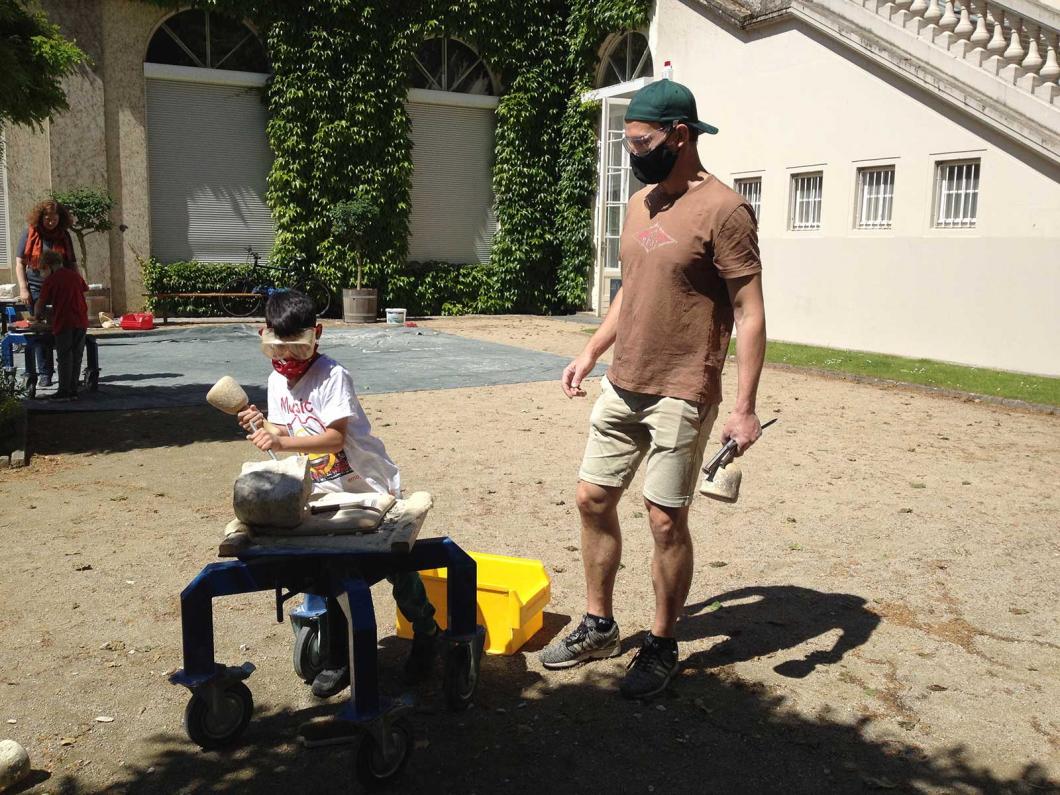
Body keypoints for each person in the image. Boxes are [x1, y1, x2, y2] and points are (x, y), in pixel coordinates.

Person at [539, 79, 767, 700]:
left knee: (665, 520)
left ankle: (663, 642)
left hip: (683, 387)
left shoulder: (726, 210)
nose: (634, 151)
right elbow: (629, 290)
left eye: (642, 141)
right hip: (624, 381)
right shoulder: (639, 204)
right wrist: (590, 351)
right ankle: (600, 624)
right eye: (630, 141)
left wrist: (743, 408)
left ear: (680, 136)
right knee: (591, 498)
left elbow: (750, 313)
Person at [236, 289, 441, 698]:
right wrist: (262, 426)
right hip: (321, 491)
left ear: (317, 335)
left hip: (366, 486)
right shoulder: (277, 381)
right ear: (264, 336)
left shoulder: (332, 376)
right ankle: (341, 655)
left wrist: (281, 443)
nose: (288, 359)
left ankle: (426, 630)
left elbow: (332, 438)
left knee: (396, 568)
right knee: (329, 570)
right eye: (278, 348)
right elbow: (283, 432)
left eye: (298, 348)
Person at [16, 199, 77, 387]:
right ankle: (45, 373)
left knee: (59, 328)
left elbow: (72, 263)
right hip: (35, 287)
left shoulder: (64, 235)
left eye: (54, 218)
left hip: (60, 289)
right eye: (47, 218)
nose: (51, 221)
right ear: (40, 217)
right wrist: (23, 288)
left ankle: (65, 372)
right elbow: (20, 263)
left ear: (61, 218)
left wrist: (76, 286)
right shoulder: (30, 233)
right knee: (40, 329)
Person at [33, 249, 89, 401]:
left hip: (64, 321)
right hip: (81, 320)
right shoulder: (75, 276)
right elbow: (84, 290)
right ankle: (73, 390)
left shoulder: (50, 281)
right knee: (76, 356)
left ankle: (64, 391)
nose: (42, 273)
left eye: (42, 269)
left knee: (64, 357)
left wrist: (37, 317)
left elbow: (40, 304)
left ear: (48, 266)